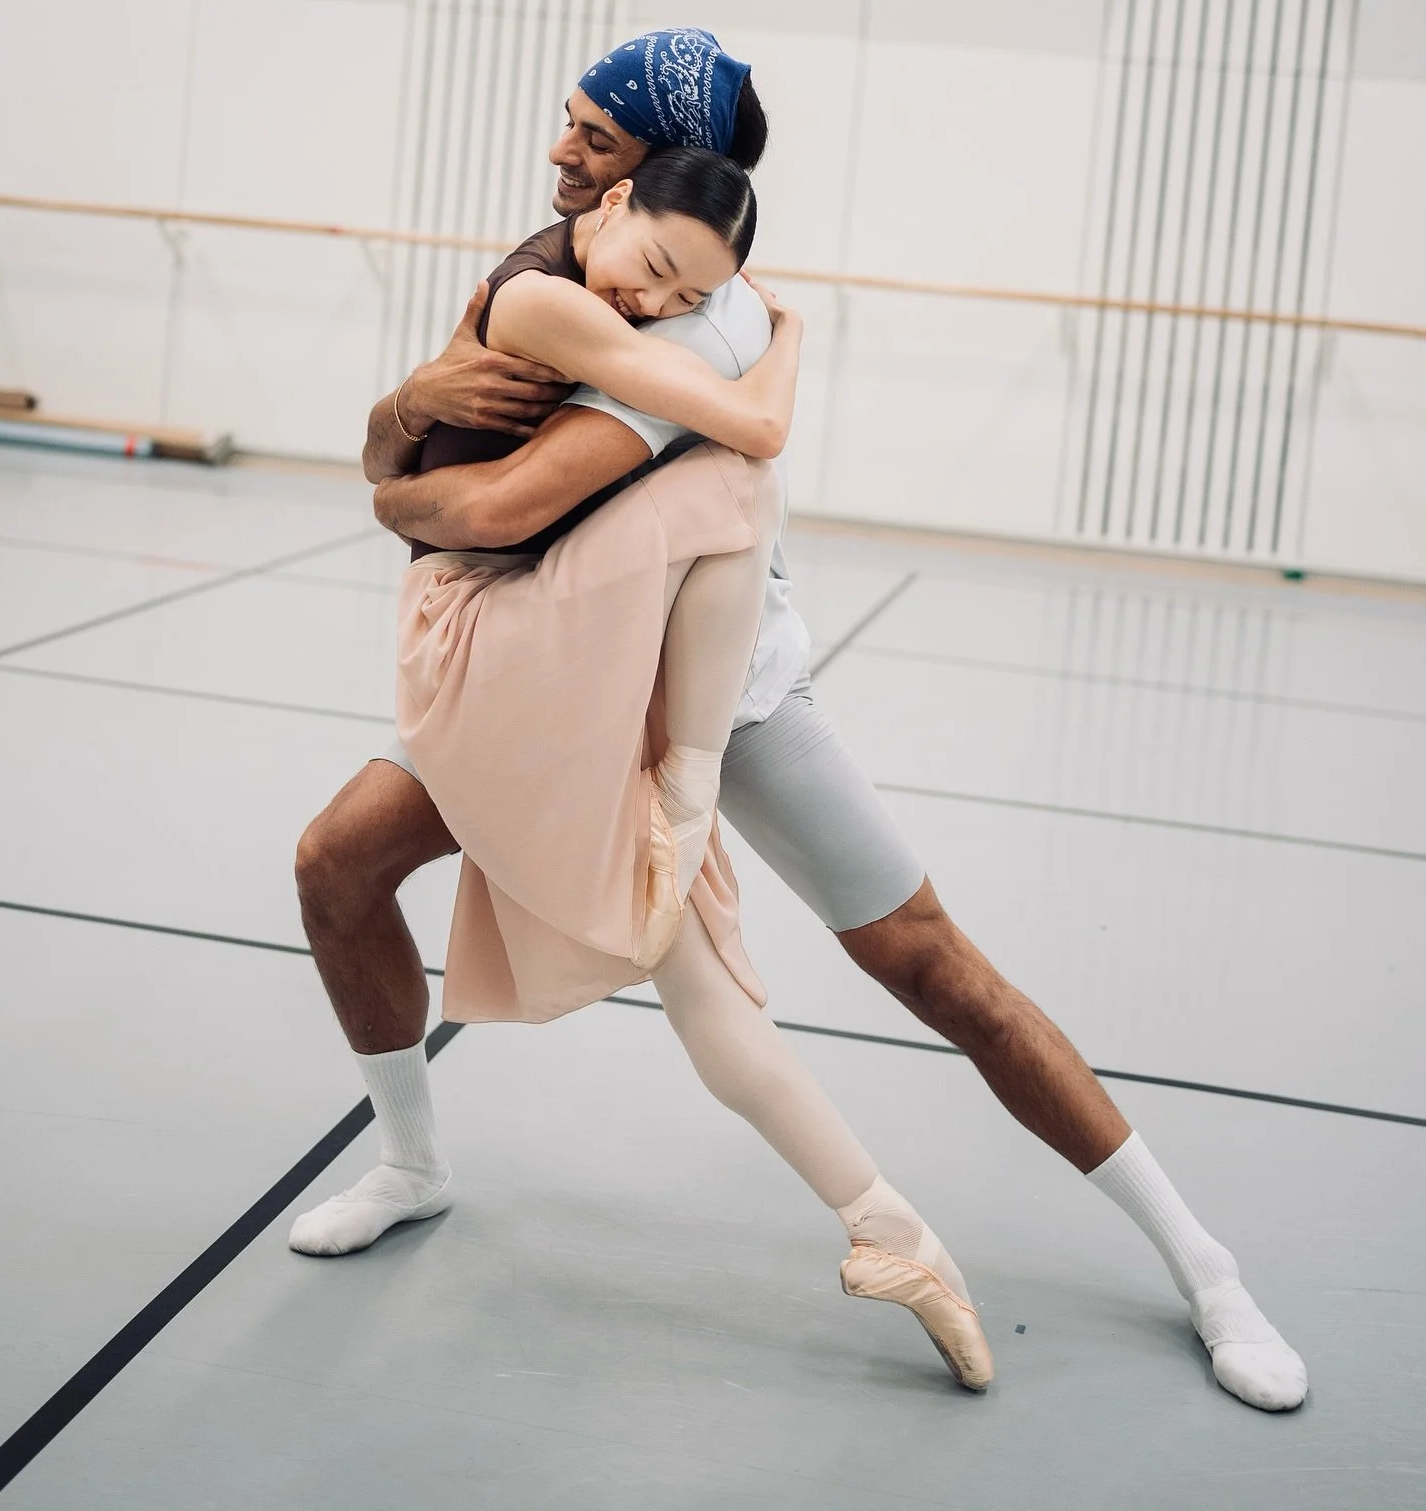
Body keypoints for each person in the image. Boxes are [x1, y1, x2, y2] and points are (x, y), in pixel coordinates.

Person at [294, 29, 1306, 1412]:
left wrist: (393, 496)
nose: (560, 151)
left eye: (593, 136)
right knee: (337, 864)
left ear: (664, 173)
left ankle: (1207, 1267)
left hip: (714, 689)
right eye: (569, 129)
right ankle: (412, 1164)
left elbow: (489, 508)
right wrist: (405, 405)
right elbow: (407, 446)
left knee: (935, 968)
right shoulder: (560, 253)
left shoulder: (697, 315)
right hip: (552, 662)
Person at [296, 140, 994, 1391]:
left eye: (686, 295)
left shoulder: (669, 302)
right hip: (477, 625)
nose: (657, 303)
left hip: (556, 630)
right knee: (737, 479)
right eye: (656, 268)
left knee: (695, 959)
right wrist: (789, 334)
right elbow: (749, 433)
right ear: (612, 203)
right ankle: (414, 1159)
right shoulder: (542, 295)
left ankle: (894, 1232)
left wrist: (749, 320)